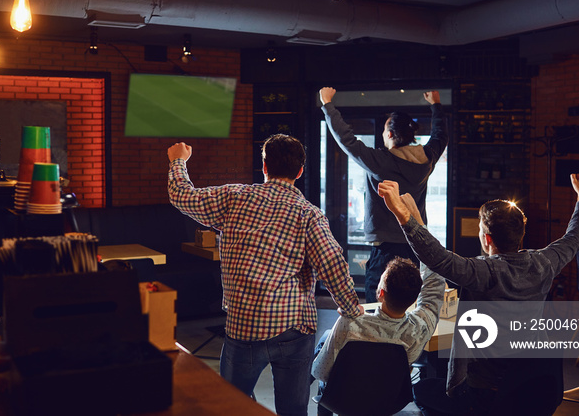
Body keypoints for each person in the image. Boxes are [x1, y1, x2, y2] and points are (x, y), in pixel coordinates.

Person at [167, 134, 364, 416]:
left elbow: (181, 196)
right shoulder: (308, 214)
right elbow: (331, 264)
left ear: (264, 167)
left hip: (243, 326)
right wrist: (351, 309)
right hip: (293, 328)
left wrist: (178, 161)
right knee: (293, 409)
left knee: (232, 407)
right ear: (300, 171)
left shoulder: (233, 198)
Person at [377, 173, 579, 415]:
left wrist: (403, 214)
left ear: (486, 238)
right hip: (531, 389)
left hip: (484, 395)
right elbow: (575, 236)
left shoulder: (483, 271)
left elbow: (436, 258)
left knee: (421, 390)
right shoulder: (544, 264)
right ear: (520, 234)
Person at [318, 87, 448, 302]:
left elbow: (347, 140)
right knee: (409, 303)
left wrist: (327, 104)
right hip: (417, 243)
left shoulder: (381, 161)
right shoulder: (427, 158)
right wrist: (436, 105)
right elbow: (440, 135)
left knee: (378, 304)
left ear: (389, 134)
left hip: (385, 248)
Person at [312, 254, 445, 384]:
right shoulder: (419, 329)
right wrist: (426, 248)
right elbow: (432, 295)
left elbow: (320, 373)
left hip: (342, 401)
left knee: (326, 338)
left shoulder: (351, 324)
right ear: (414, 299)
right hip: (387, 401)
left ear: (381, 293)